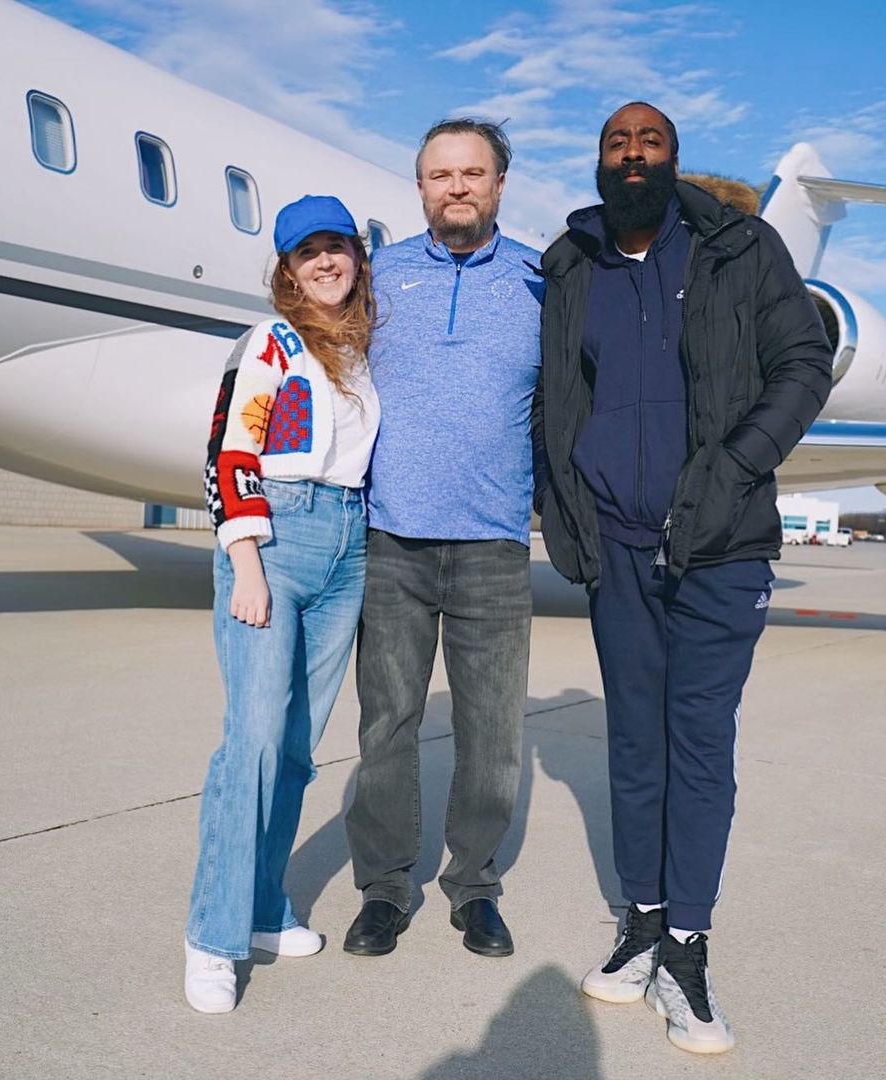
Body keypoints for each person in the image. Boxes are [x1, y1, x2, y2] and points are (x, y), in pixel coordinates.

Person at [534, 103, 833, 1053]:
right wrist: (563, 516)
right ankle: (643, 923)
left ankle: (689, 949)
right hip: (615, 546)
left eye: (649, 142)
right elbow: (552, 395)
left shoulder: (741, 251)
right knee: (633, 744)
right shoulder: (572, 263)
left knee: (699, 746)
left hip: (722, 544)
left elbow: (802, 364)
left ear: (674, 159)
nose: (632, 155)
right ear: (599, 162)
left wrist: (733, 468)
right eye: (616, 144)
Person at [342, 119, 543, 959]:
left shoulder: (542, 282)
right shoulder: (378, 279)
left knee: (492, 732)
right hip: (393, 540)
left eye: (472, 173)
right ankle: (385, 889)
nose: (456, 187)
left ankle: (473, 887)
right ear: (419, 187)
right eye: (439, 175)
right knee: (385, 724)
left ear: (500, 183)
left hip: (494, 545)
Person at [184, 195, 380, 1013]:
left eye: (338, 248)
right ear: (288, 269)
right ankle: (213, 938)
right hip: (275, 538)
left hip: (349, 543)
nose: (327, 262)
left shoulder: (366, 356)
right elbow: (230, 451)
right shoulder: (270, 343)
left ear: (355, 261)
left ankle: (266, 908)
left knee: (298, 747)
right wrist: (248, 562)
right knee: (254, 741)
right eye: (310, 253)